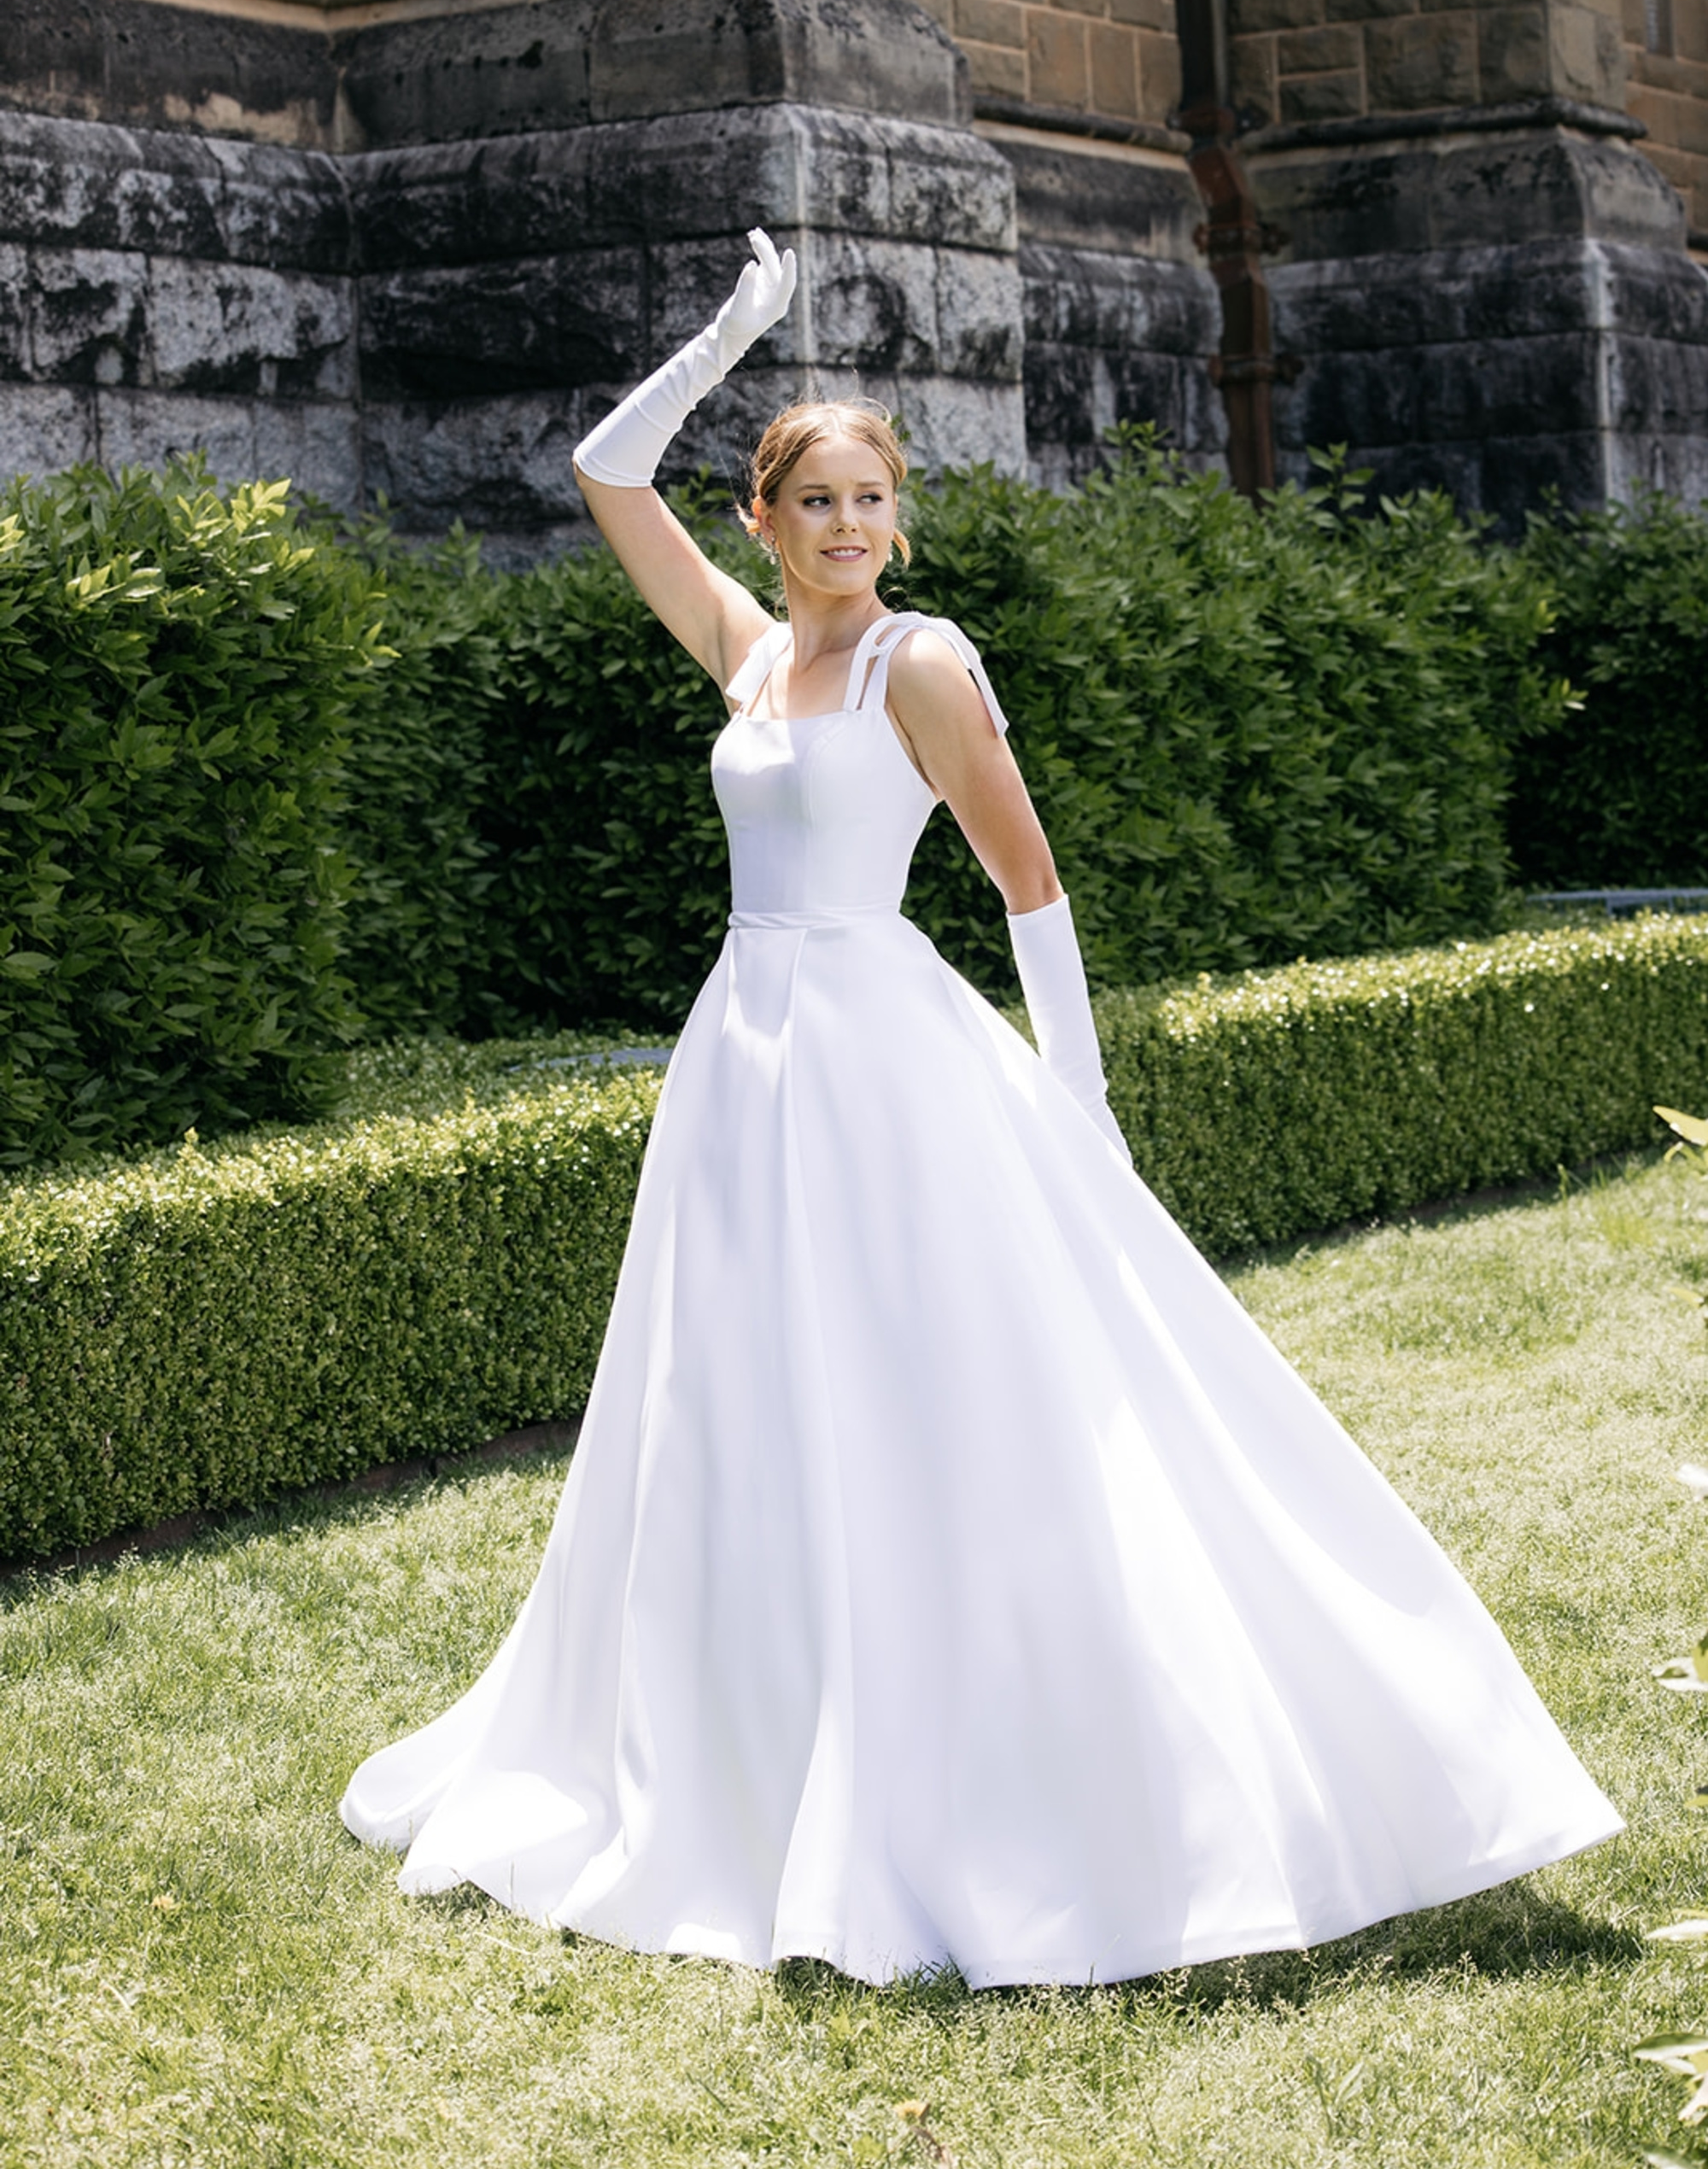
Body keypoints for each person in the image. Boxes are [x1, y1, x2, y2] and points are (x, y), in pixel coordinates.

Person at [341, 230, 1620, 1988]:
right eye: (819, 505)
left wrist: (1078, 1115)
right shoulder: (738, 651)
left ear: (898, 525)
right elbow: (603, 472)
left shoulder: (918, 668)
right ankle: (742, 1744)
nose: (850, 529)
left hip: (884, 1059)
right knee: (731, 1402)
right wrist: (728, 334)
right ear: (766, 527)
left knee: (918, 1401)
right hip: (742, 1062)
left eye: (873, 501)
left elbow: (1031, 889)